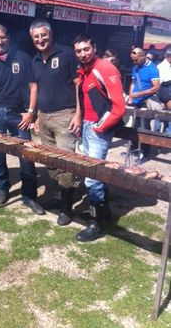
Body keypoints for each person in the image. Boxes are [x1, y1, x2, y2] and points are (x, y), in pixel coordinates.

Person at [0, 23, 45, 215]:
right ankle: (2, 189)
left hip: (19, 115)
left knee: (26, 154)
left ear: (8, 38)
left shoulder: (23, 58)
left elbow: (33, 86)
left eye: (2, 37)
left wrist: (31, 112)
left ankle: (29, 196)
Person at [73, 33, 125, 242]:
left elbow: (119, 107)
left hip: (97, 129)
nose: (83, 54)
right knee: (93, 173)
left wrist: (98, 128)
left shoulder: (104, 67)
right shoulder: (84, 70)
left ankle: (97, 225)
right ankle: (104, 214)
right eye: (78, 51)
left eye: (86, 49)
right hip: (87, 126)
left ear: (94, 47)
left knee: (91, 178)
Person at [29, 19, 80, 226]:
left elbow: (78, 85)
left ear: (51, 34)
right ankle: (60, 196)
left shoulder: (67, 54)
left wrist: (78, 114)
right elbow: (37, 89)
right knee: (50, 161)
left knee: (66, 161)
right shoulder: (34, 61)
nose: (40, 40)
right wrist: (37, 116)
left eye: (43, 35)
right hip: (45, 116)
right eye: (36, 37)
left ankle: (66, 208)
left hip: (65, 115)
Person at [127, 47, 160, 160]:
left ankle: (145, 152)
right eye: (133, 60)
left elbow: (156, 88)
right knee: (135, 126)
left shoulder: (152, 69)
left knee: (144, 127)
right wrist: (131, 95)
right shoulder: (136, 67)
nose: (135, 63)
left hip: (146, 102)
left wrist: (139, 94)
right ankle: (134, 148)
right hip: (136, 102)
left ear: (143, 56)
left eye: (136, 60)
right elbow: (133, 82)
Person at [157, 48, 171, 134]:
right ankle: (155, 143)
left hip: (169, 97)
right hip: (162, 97)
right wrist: (160, 101)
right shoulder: (160, 67)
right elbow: (158, 85)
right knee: (158, 121)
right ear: (169, 56)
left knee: (169, 121)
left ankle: (166, 142)